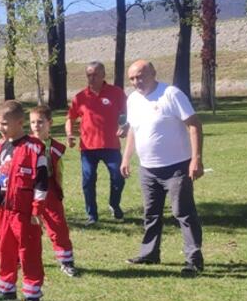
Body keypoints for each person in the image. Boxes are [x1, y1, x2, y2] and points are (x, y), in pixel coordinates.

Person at [120, 60, 205, 275]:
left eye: (140, 76)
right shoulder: (133, 100)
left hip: (176, 167)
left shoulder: (171, 94)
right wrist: (126, 158)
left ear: (153, 73)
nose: (136, 82)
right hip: (148, 169)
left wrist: (196, 159)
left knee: (183, 213)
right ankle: (150, 253)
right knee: (151, 214)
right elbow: (133, 130)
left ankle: (193, 260)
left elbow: (194, 124)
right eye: (132, 78)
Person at [0, 100, 49, 301]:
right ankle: (6, 289)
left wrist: (37, 209)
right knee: (5, 250)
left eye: (4, 123)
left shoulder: (35, 148)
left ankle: (32, 295)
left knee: (28, 252)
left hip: (25, 213)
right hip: (5, 211)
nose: (0, 128)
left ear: (20, 122)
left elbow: (42, 182)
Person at [65, 61, 128, 225]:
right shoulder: (80, 97)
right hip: (88, 148)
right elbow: (70, 118)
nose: (91, 78)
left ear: (103, 75)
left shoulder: (116, 93)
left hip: (111, 146)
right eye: (89, 75)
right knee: (88, 180)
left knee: (118, 177)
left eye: (95, 75)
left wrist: (125, 126)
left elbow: (129, 113)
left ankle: (114, 204)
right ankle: (92, 215)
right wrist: (70, 134)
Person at [29, 105, 77, 277]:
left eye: (40, 122)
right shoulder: (25, 143)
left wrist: (57, 190)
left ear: (49, 123)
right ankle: (22, 259)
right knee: (26, 226)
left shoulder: (55, 147)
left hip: (49, 190)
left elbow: (57, 171)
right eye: (33, 122)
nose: (36, 125)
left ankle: (66, 261)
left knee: (57, 226)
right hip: (27, 190)